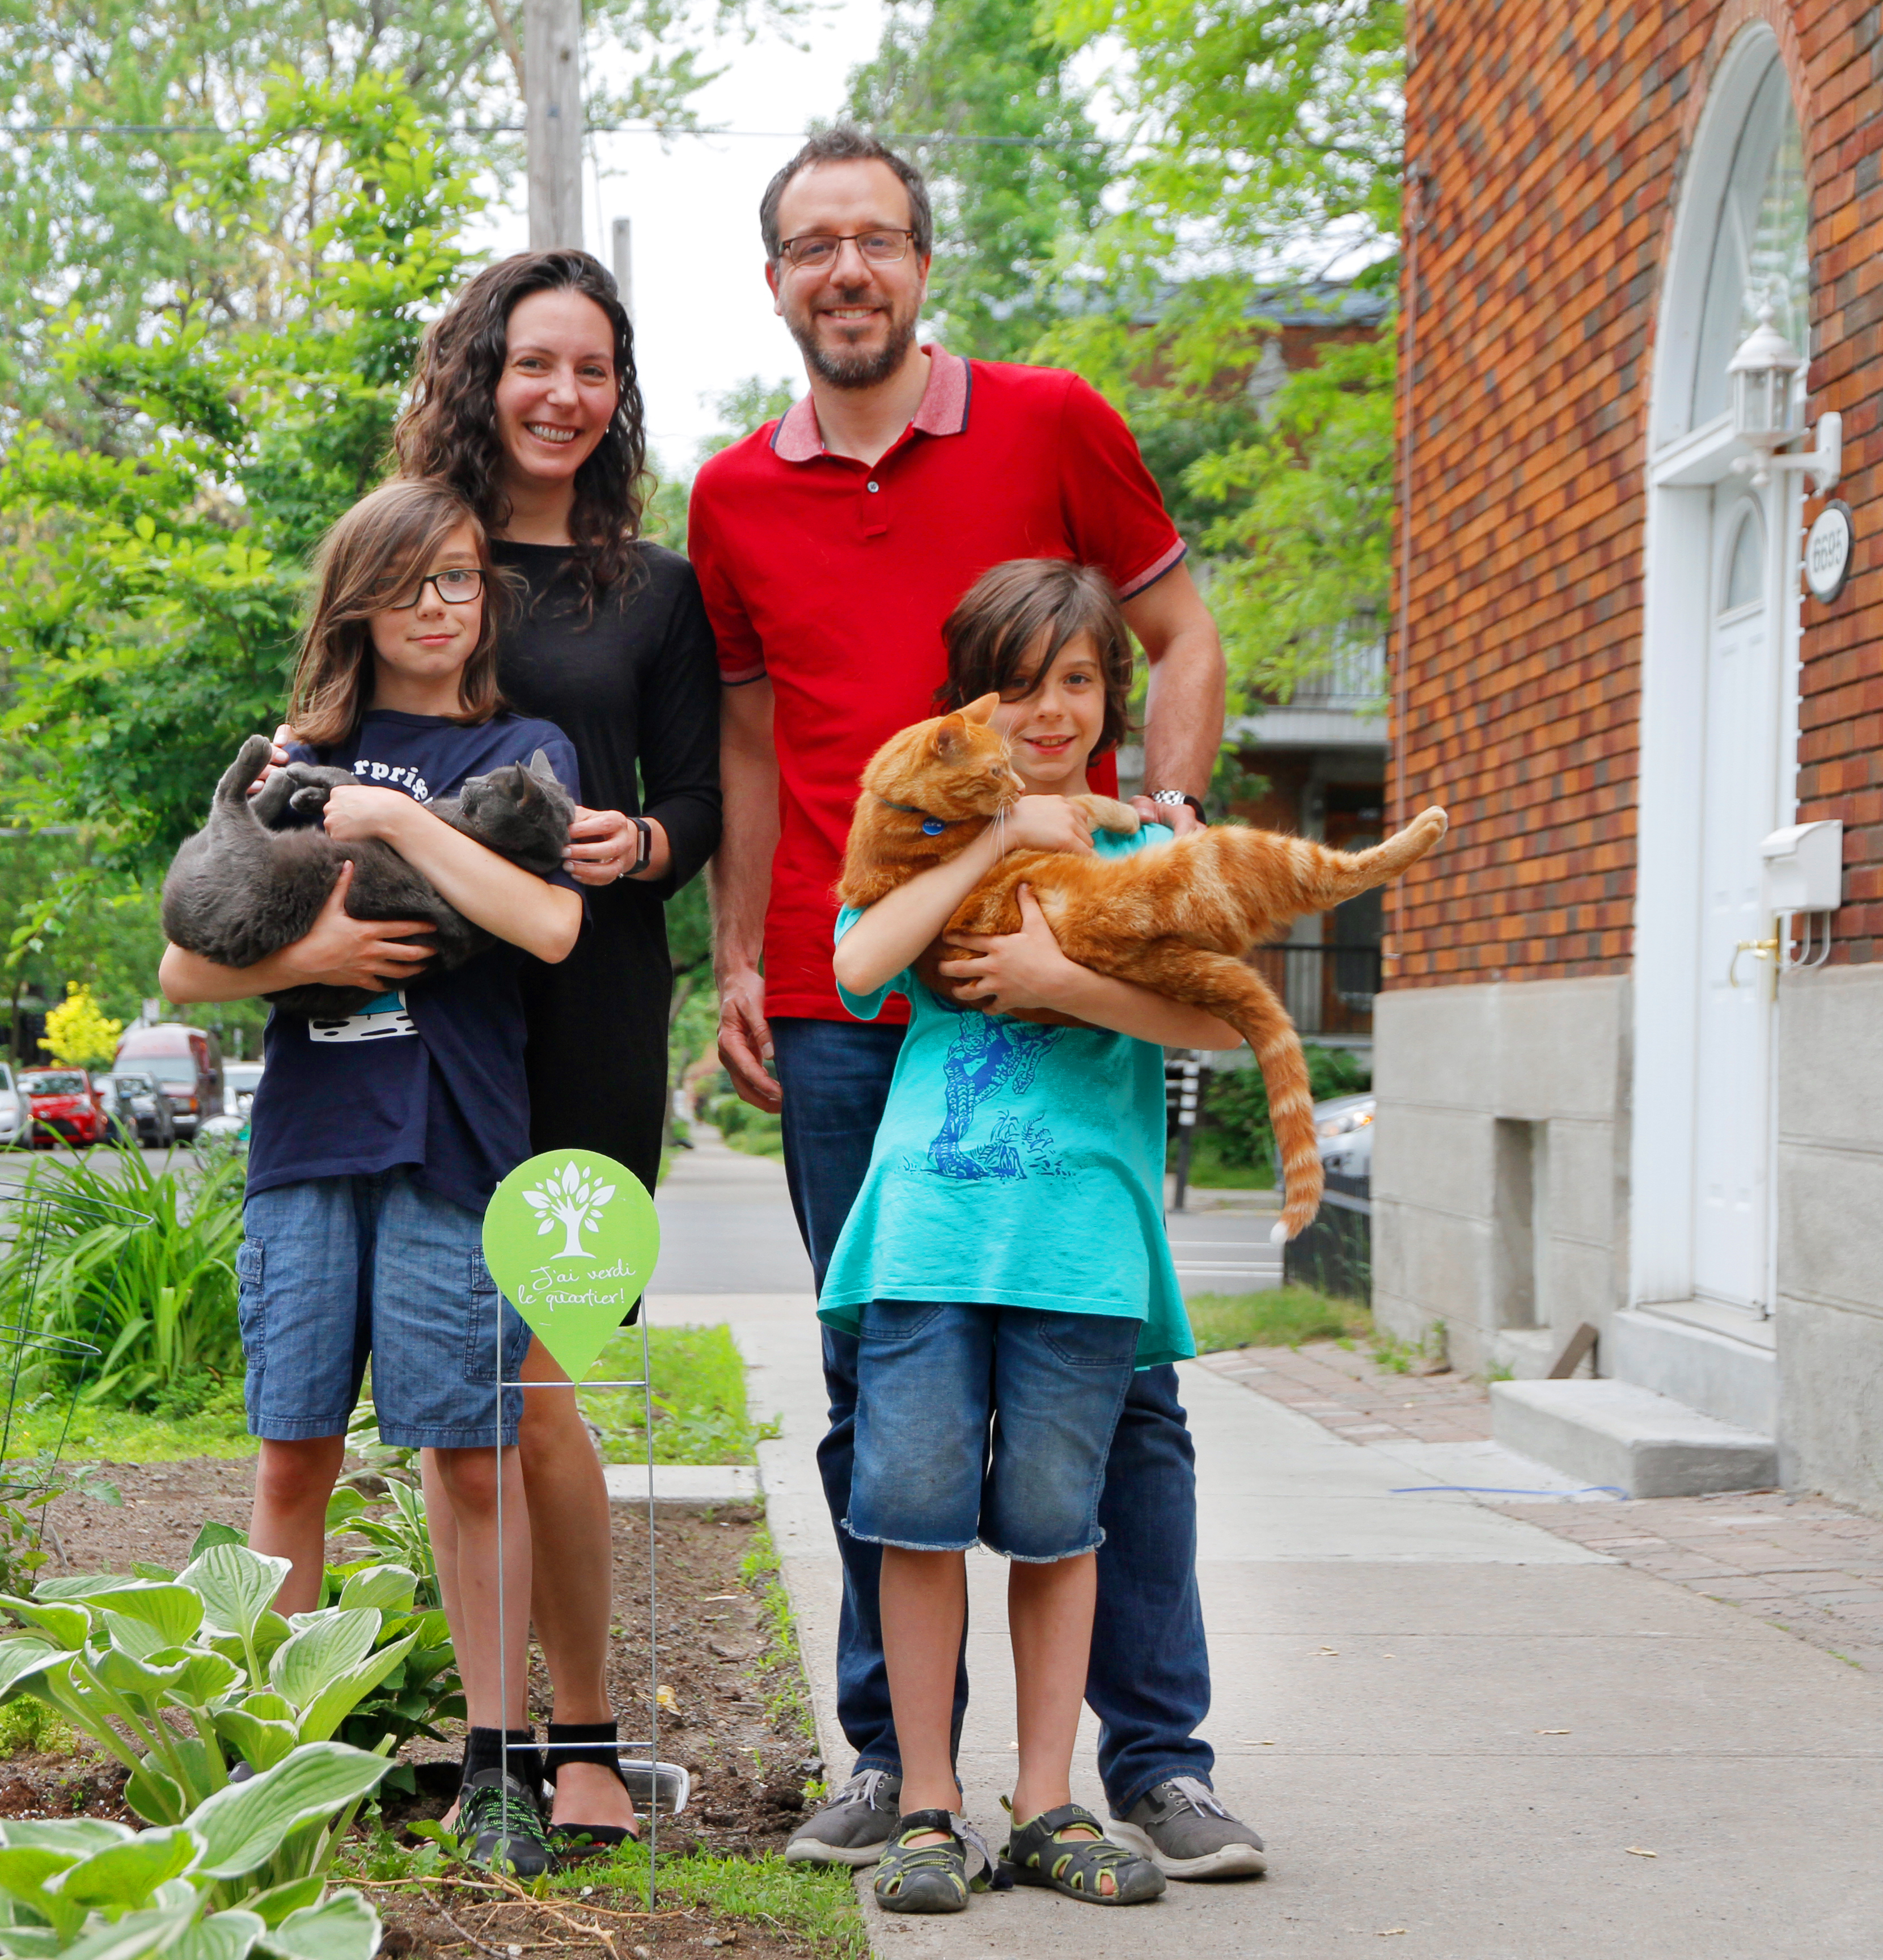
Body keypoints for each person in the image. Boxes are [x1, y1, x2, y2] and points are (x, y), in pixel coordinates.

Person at [689, 126, 1266, 1878]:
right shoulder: (731, 498)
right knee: (878, 1383)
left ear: (923, 263)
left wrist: (1163, 835)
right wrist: (738, 954)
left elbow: (1182, 635)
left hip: (1068, 981)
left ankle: (1151, 1762)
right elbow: (749, 738)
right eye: (813, 245)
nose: (846, 270)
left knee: (1121, 1385)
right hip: (843, 989)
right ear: (775, 280)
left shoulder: (1052, 420)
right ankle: (900, 1767)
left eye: (875, 238)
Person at [158, 477, 586, 1877]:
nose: (438, 607)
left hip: (456, 1141)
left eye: (459, 579)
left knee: (472, 1456)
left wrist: (395, 825)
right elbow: (183, 967)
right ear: (357, 604)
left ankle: (500, 1769)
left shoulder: (523, 749)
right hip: (308, 1144)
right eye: (407, 585)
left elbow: (548, 924)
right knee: (294, 1452)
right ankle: (278, 1770)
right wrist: (317, 958)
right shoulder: (297, 753)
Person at [829, 560, 1237, 1913]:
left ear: (1113, 697)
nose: (1049, 710)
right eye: (1017, 685)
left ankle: (1048, 1802)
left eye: (1076, 681)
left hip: (1079, 1251)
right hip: (929, 1240)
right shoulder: (922, 833)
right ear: (969, 706)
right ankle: (927, 1807)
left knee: (1062, 1528)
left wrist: (1065, 980)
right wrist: (998, 836)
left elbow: (1224, 1018)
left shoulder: (1146, 850)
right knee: (914, 1519)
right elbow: (857, 966)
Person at [388, 246, 723, 1847]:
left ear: (619, 393)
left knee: (542, 1381)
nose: (564, 395)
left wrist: (641, 845)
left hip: (592, 1012)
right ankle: (492, 1743)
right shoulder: (423, 554)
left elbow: (700, 799)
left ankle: (582, 1737)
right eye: (536, 363)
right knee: (467, 1392)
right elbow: (336, 733)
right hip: (437, 1014)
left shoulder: (652, 588)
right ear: (483, 375)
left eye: (594, 370)